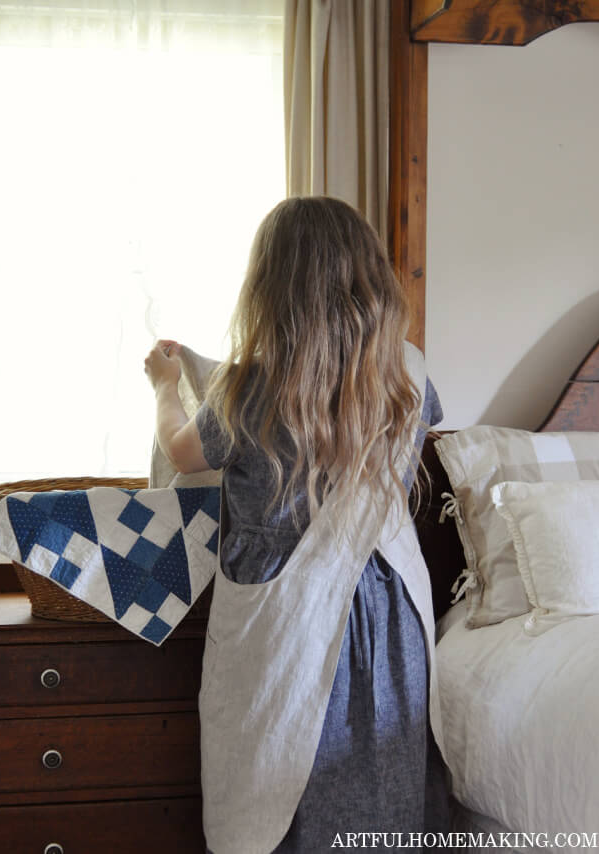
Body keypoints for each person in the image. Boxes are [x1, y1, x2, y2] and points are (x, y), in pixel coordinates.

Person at [144, 196, 451, 854]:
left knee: (277, 776)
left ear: (272, 286)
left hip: (289, 609)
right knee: (377, 781)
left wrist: (167, 386)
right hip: (386, 606)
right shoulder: (404, 375)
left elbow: (182, 451)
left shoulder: (254, 388)